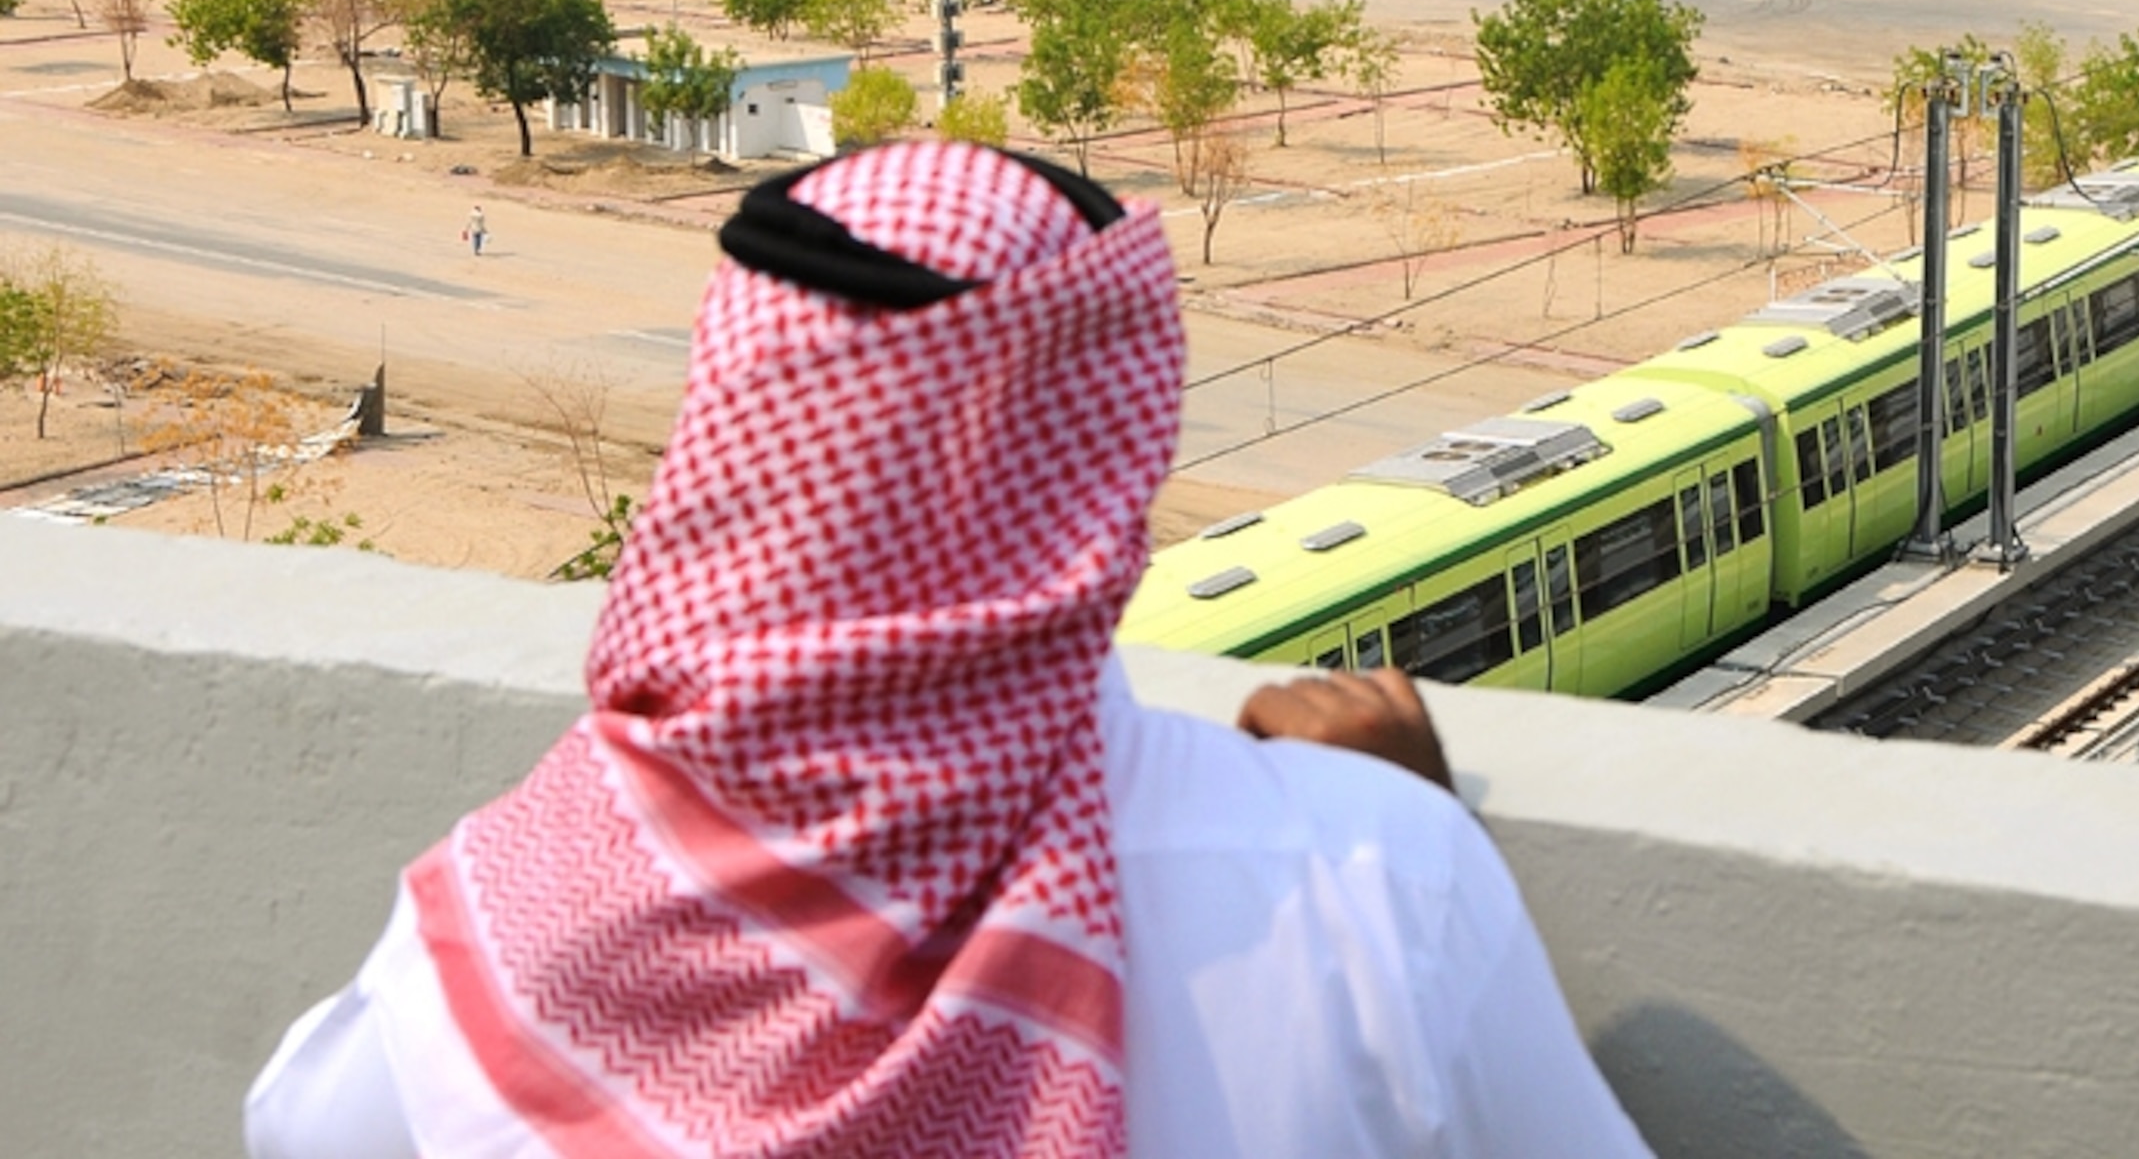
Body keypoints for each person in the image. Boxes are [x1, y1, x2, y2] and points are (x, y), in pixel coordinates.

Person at [245, 141, 1649, 1159]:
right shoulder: (1374, 893)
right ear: (1112, 454)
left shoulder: (510, 916)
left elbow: (307, 1127)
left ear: (736, 435)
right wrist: (1407, 810)